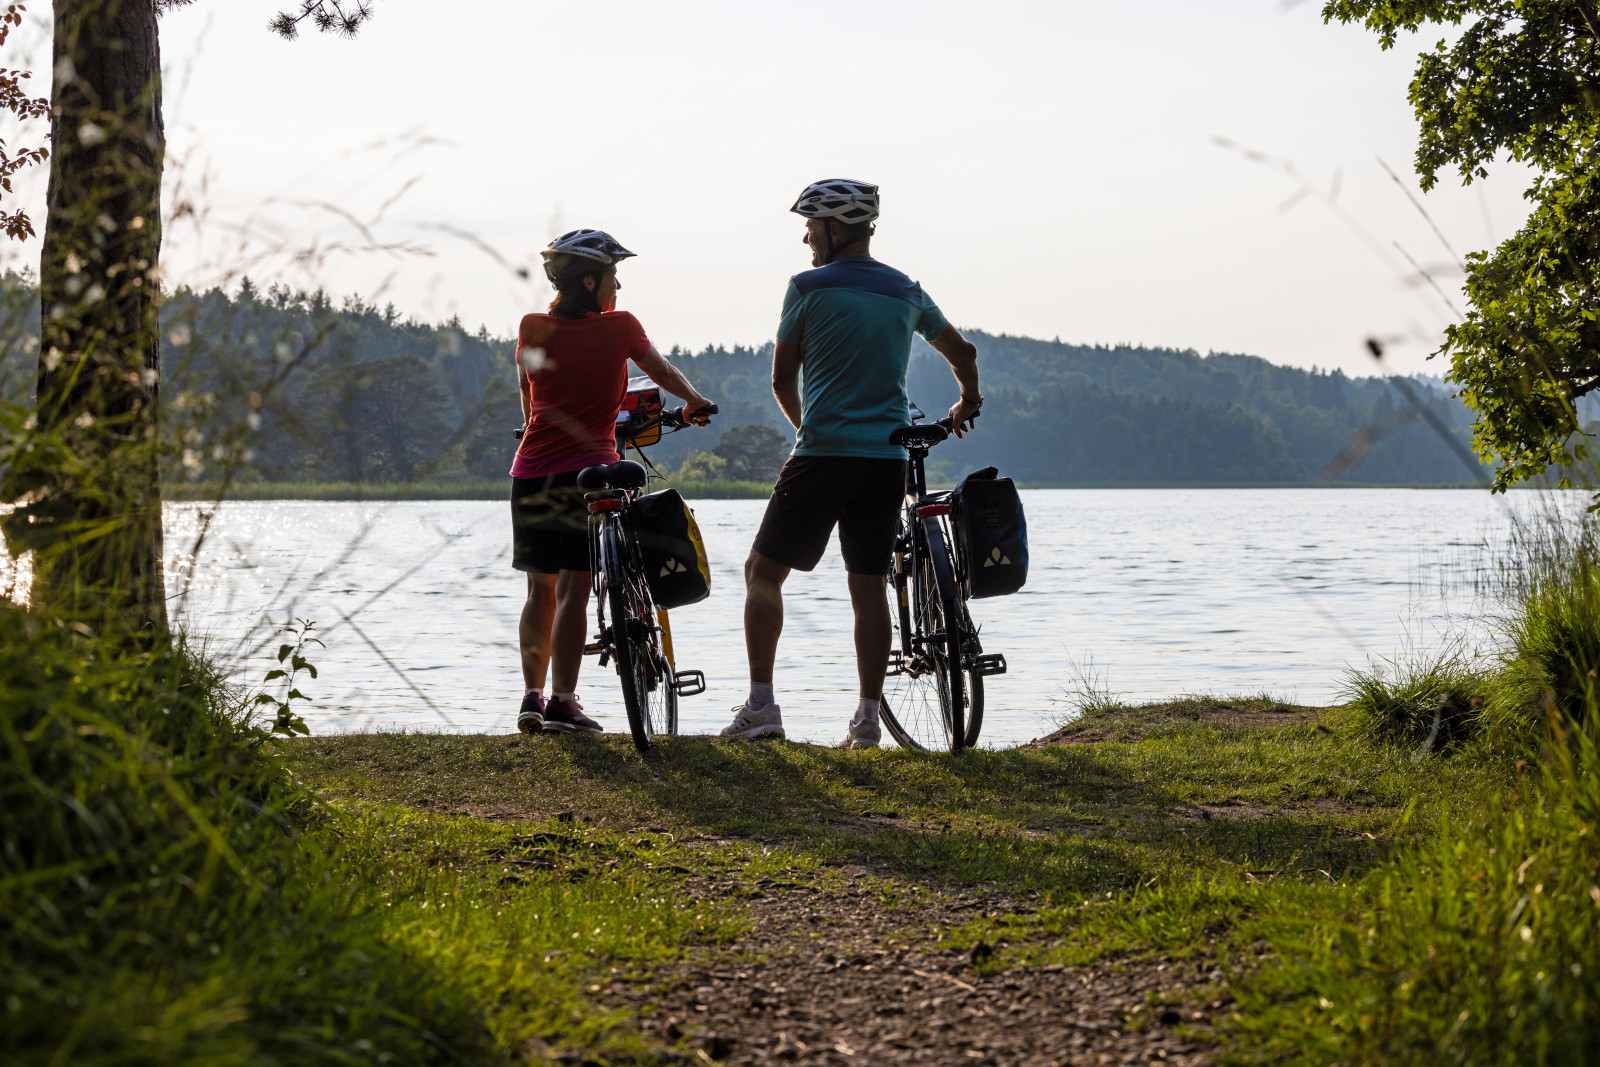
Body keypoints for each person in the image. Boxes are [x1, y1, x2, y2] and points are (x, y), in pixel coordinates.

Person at [721, 180, 983, 749]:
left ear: (837, 229)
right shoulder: (906, 290)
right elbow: (964, 354)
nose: (807, 236)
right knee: (869, 588)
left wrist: (806, 429)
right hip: (886, 459)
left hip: (821, 454)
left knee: (762, 573)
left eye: (813, 225)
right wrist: (968, 401)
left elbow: (779, 379)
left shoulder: (806, 288)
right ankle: (866, 722)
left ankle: (762, 706)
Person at [512, 228, 713, 736]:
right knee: (576, 591)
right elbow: (659, 370)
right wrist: (692, 400)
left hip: (532, 473)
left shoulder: (531, 326)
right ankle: (563, 702)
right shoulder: (621, 326)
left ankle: (531, 700)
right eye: (612, 277)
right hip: (590, 474)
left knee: (541, 592)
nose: (617, 289)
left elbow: (528, 397)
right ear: (588, 280)